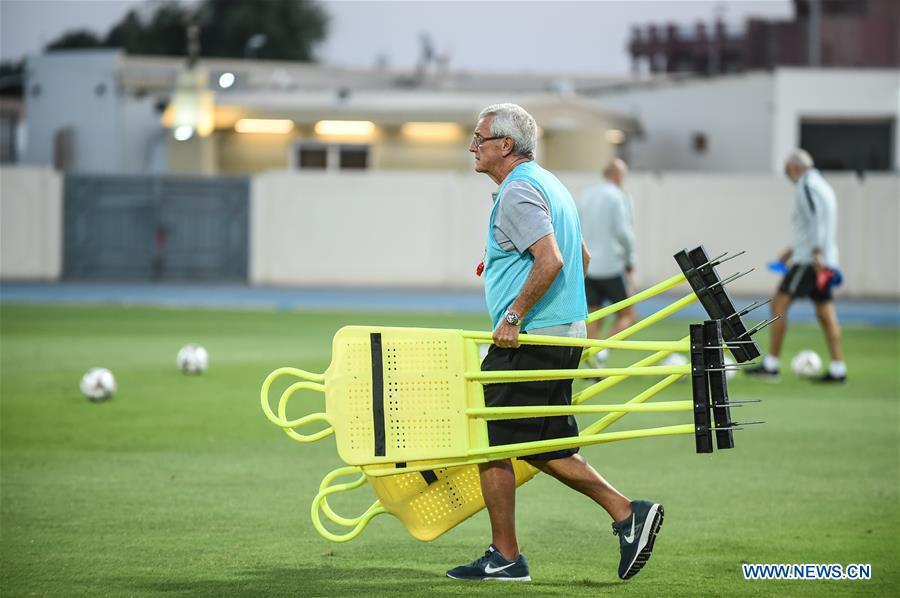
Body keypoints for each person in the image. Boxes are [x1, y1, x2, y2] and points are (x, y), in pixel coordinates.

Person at [446, 103, 663, 583]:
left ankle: (507, 556)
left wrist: (516, 315)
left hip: (531, 339)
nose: (472, 146)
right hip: (558, 335)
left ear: (505, 145)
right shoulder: (549, 184)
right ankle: (627, 514)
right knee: (544, 444)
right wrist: (562, 315)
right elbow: (581, 257)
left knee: (491, 442)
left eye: (480, 138)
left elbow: (553, 260)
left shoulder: (518, 190)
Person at [746, 149, 846, 383]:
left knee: (778, 304)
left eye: (787, 171)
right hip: (821, 258)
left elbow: (816, 221)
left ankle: (771, 366)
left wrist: (816, 255)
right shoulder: (823, 186)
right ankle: (838, 368)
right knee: (825, 312)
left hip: (810, 261)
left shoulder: (806, 185)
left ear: (794, 168)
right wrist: (793, 249)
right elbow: (816, 223)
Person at [578, 158, 637, 366]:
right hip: (611, 265)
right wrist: (630, 259)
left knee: (595, 316)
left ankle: (592, 362)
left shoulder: (586, 195)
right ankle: (602, 352)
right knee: (628, 315)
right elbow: (623, 232)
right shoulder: (618, 196)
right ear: (618, 175)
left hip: (589, 267)